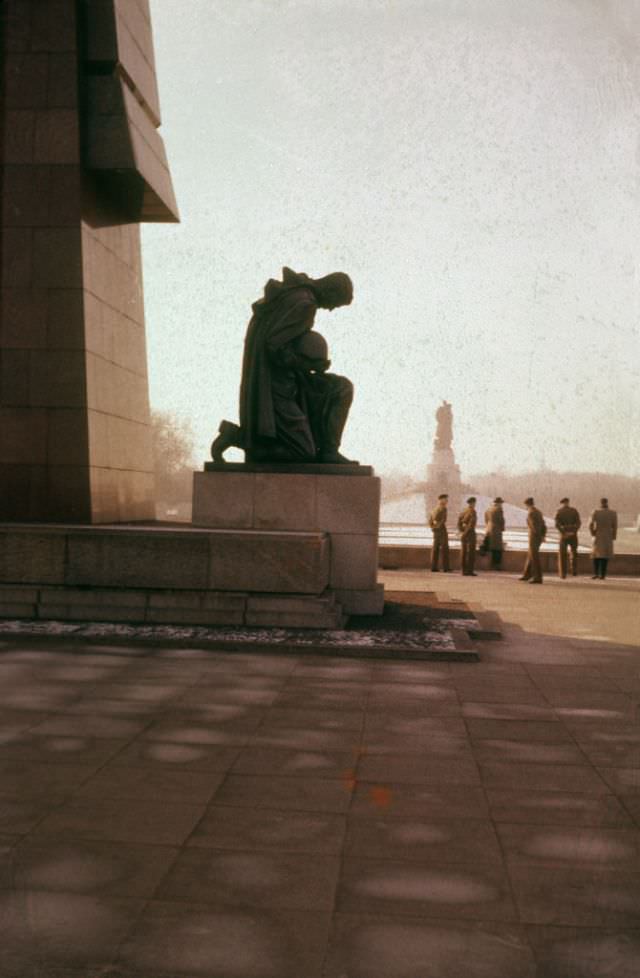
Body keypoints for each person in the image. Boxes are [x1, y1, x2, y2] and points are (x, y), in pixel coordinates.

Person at [210, 267, 356, 464]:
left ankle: (329, 450)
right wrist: (309, 364)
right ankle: (239, 438)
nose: (330, 309)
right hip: (276, 388)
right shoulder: (304, 303)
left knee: (340, 388)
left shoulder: (296, 294)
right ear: (331, 291)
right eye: (335, 304)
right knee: (302, 453)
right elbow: (275, 346)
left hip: (283, 380)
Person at [520, 496, 546, 584]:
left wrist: (539, 536)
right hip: (538, 537)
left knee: (534, 557)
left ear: (527, 505)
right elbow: (543, 525)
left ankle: (537, 577)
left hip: (534, 537)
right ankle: (527, 574)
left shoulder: (531, 513)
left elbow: (534, 527)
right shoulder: (538, 512)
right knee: (531, 555)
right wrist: (543, 536)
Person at [589, 498, 617, 579]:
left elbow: (590, 524)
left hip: (597, 535)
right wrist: (613, 536)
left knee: (596, 555)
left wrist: (592, 533)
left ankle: (596, 573)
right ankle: (603, 575)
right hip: (608, 536)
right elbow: (615, 526)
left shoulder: (596, 512)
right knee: (605, 556)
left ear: (600, 503)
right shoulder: (613, 513)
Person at [555, 496, 581, 578]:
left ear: (562, 503)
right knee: (574, 552)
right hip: (573, 535)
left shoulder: (559, 511)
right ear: (568, 502)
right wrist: (573, 531)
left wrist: (563, 532)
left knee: (562, 554)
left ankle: (563, 573)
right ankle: (574, 571)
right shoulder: (574, 511)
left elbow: (557, 524)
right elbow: (579, 522)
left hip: (564, 535)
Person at [429, 493, 451, 572]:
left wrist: (433, 527)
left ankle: (433, 567)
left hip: (435, 531)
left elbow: (430, 520)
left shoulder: (434, 509)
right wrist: (438, 527)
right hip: (441, 530)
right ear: (441, 500)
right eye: (445, 499)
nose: (447, 501)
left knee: (435, 549)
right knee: (445, 549)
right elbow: (443, 520)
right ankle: (446, 567)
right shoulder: (444, 508)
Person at [482, 497, 505, 569]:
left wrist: (488, 526)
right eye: (501, 503)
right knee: (498, 548)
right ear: (499, 503)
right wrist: (502, 528)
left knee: (492, 547)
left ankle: (492, 564)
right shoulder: (499, 509)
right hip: (496, 530)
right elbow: (501, 520)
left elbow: (486, 520)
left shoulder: (488, 509)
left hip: (489, 529)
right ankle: (496, 565)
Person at [457, 496, 478, 576]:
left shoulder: (464, 511)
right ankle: (469, 571)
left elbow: (459, 521)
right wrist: (466, 532)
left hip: (464, 534)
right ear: (473, 503)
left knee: (463, 552)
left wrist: (461, 531)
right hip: (470, 534)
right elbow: (471, 524)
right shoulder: (472, 511)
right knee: (471, 553)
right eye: (474, 503)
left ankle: (463, 570)